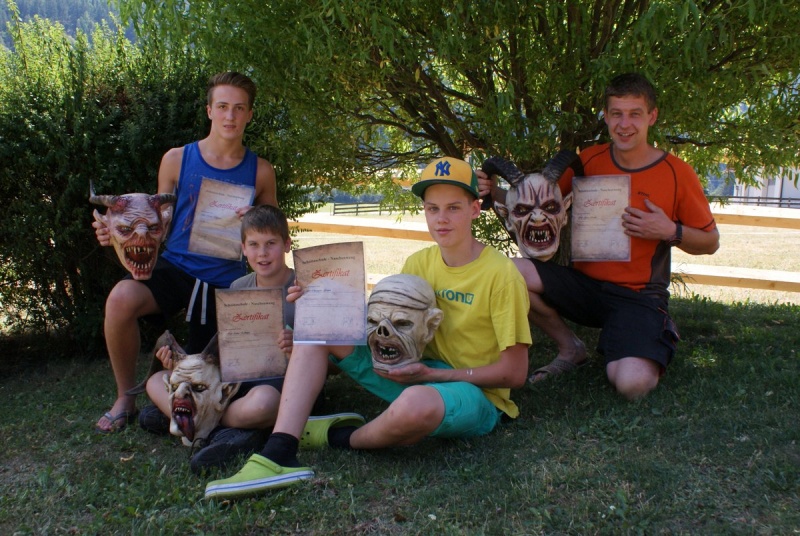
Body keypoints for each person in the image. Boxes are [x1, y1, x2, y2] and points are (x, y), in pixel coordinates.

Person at [203, 156, 532, 500]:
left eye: (453, 208)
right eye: (433, 208)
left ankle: (338, 437)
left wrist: (432, 375)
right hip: (411, 372)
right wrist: (321, 300)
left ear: (475, 210)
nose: (442, 219)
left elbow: (514, 373)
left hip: (474, 393)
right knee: (318, 325)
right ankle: (279, 451)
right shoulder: (418, 263)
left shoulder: (501, 274)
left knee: (414, 404)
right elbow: (385, 328)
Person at [478, 73, 720, 400]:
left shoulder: (677, 173)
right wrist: (492, 192)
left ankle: (651, 332)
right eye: (616, 113)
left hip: (638, 297)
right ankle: (570, 348)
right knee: (509, 271)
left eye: (635, 114)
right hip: (585, 286)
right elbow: (539, 207)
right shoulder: (588, 160)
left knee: (632, 385)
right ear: (605, 116)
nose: (624, 124)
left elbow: (710, 242)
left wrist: (669, 231)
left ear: (652, 116)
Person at [94, 72, 278, 432]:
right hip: (176, 267)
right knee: (119, 300)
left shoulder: (260, 171)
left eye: (239, 108)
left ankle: (188, 411)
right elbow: (154, 221)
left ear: (249, 114)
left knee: (208, 367)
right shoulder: (176, 159)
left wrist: (255, 217)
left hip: (227, 281)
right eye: (222, 106)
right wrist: (115, 233)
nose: (230, 116)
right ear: (209, 110)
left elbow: (273, 229)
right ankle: (125, 399)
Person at [142, 205, 314, 473]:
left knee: (265, 403)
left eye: (271, 243)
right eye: (253, 244)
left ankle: (195, 422)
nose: (262, 253)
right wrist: (175, 363)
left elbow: (326, 363)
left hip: (278, 386)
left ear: (286, 244)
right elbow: (225, 352)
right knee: (155, 381)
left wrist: (297, 347)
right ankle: (224, 428)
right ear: (243, 248)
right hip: (234, 384)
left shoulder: (303, 289)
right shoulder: (237, 288)